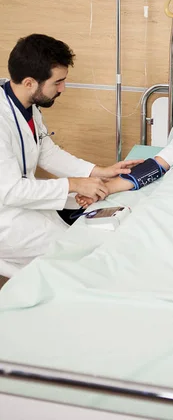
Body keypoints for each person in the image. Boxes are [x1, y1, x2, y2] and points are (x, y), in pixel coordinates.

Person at [0, 34, 141, 273]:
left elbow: (46, 152)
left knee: (89, 226)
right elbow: (10, 191)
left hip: (23, 201)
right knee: (76, 253)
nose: (63, 88)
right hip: (6, 216)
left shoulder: (25, 106)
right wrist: (75, 184)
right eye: (58, 82)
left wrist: (99, 171)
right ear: (29, 83)